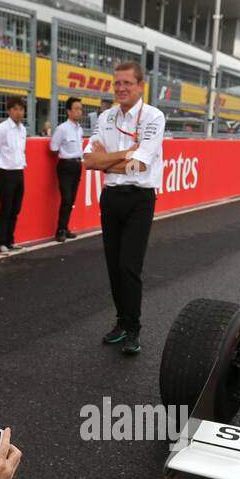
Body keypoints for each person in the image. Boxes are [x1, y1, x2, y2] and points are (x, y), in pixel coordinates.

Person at [82, 61, 165, 356]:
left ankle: (134, 329)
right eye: (117, 83)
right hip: (112, 198)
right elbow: (89, 160)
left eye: (127, 83)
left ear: (140, 85)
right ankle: (120, 322)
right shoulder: (105, 117)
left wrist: (112, 160)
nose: (121, 88)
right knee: (114, 266)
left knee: (130, 266)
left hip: (139, 200)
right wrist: (126, 154)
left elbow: (140, 163)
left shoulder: (154, 116)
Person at [0, 96, 28, 254]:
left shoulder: (23, 129)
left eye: (21, 109)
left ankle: (11, 241)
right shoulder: (1, 128)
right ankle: (2, 243)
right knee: (6, 209)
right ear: (9, 111)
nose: (19, 112)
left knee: (15, 209)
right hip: (5, 173)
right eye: (15, 109)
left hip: (19, 172)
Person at [49, 97, 85, 242]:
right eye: (76, 109)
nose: (79, 111)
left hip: (77, 165)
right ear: (68, 111)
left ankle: (65, 226)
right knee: (66, 198)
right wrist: (65, 156)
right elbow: (53, 147)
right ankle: (60, 230)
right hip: (65, 165)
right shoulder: (62, 129)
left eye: (80, 109)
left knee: (72, 200)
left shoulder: (80, 129)